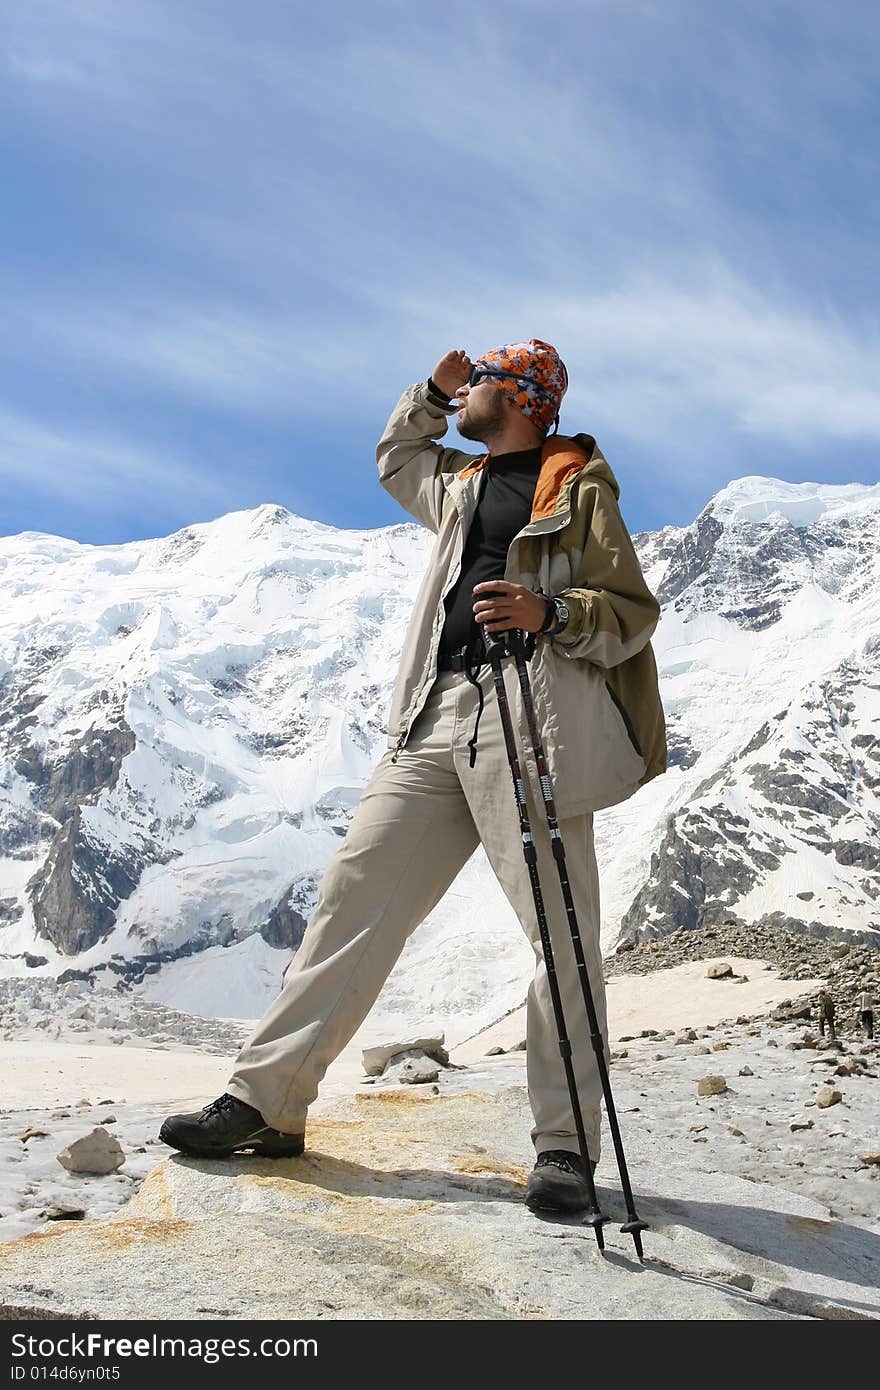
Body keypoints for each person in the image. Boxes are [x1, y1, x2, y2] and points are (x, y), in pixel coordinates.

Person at [160, 339, 667, 1215]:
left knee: (562, 937)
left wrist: (551, 610)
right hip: (435, 717)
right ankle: (266, 1103)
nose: (465, 391)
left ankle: (565, 1150)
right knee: (352, 901)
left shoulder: (580, 490)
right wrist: (429, 393)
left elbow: (629, 614)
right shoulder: (461, 484)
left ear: (519, 397)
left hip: (526, 721)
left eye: (478, 384)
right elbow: (399, 455)